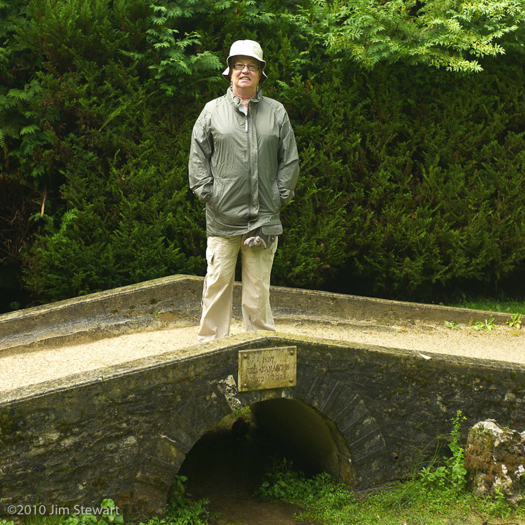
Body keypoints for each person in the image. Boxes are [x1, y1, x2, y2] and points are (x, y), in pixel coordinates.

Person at [189, 39, 300, 342]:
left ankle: (261, 347)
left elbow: (289, 161)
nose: (245, 71)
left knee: (258, 291)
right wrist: (210, 196)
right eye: (239, 65)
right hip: (223, 219)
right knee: (217, 286)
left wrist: (278, 197)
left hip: (264, 221)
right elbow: (197, 159)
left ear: (261, 73)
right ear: (230, 71)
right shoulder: (212, 111)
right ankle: (210, 348)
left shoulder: (276, 112)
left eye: (252, 66)